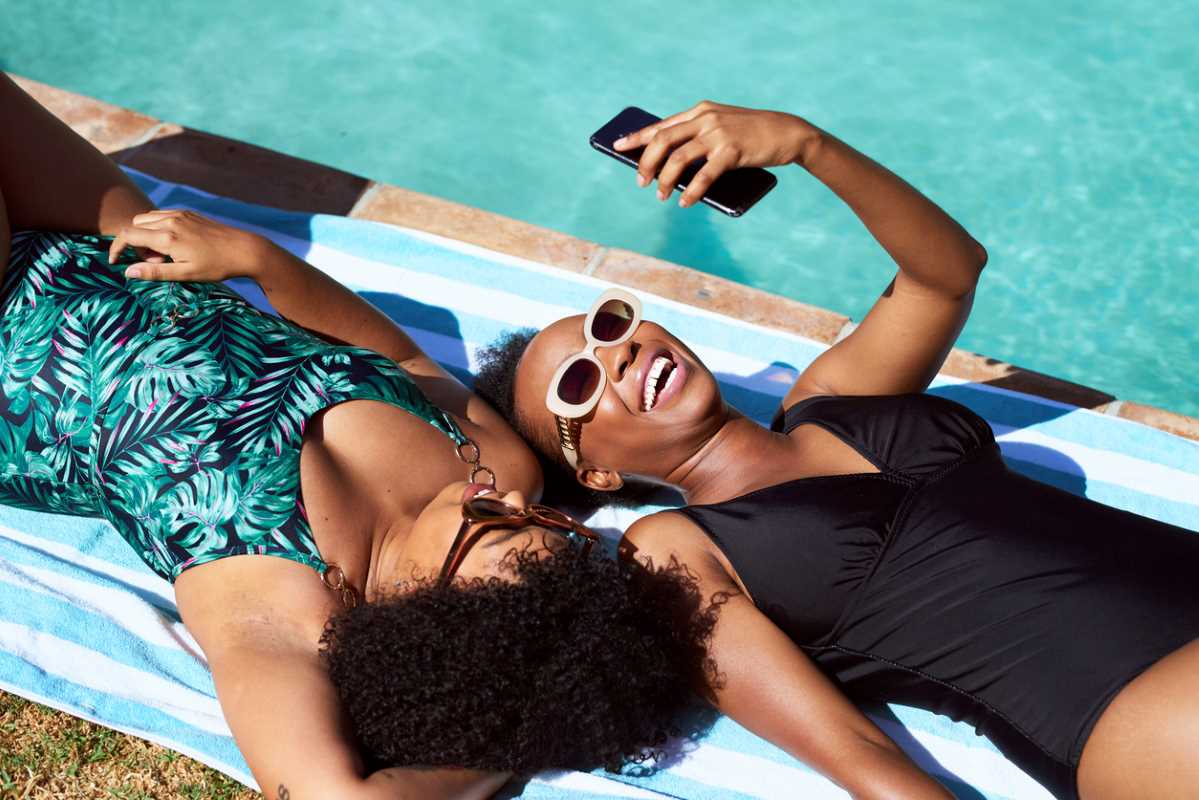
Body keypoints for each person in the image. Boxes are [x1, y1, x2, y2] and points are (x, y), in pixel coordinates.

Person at [0, 73, 718, 800]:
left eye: (489, 532)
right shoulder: (490, 466)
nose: (502, 503)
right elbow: (402, 358)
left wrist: (531, 726)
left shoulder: (270, 603)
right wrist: (260, 263)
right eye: (543, 522)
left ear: (430, 618)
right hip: (129, 250)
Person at [476, 100, 1199, 799]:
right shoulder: (670, 548)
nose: (620, 355)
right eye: (579, 382)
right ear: (597, 474)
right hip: (1124, 706)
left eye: (610, 326)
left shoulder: (835, 397)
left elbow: (946, 273)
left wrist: (805, 144)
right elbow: (852, 752)